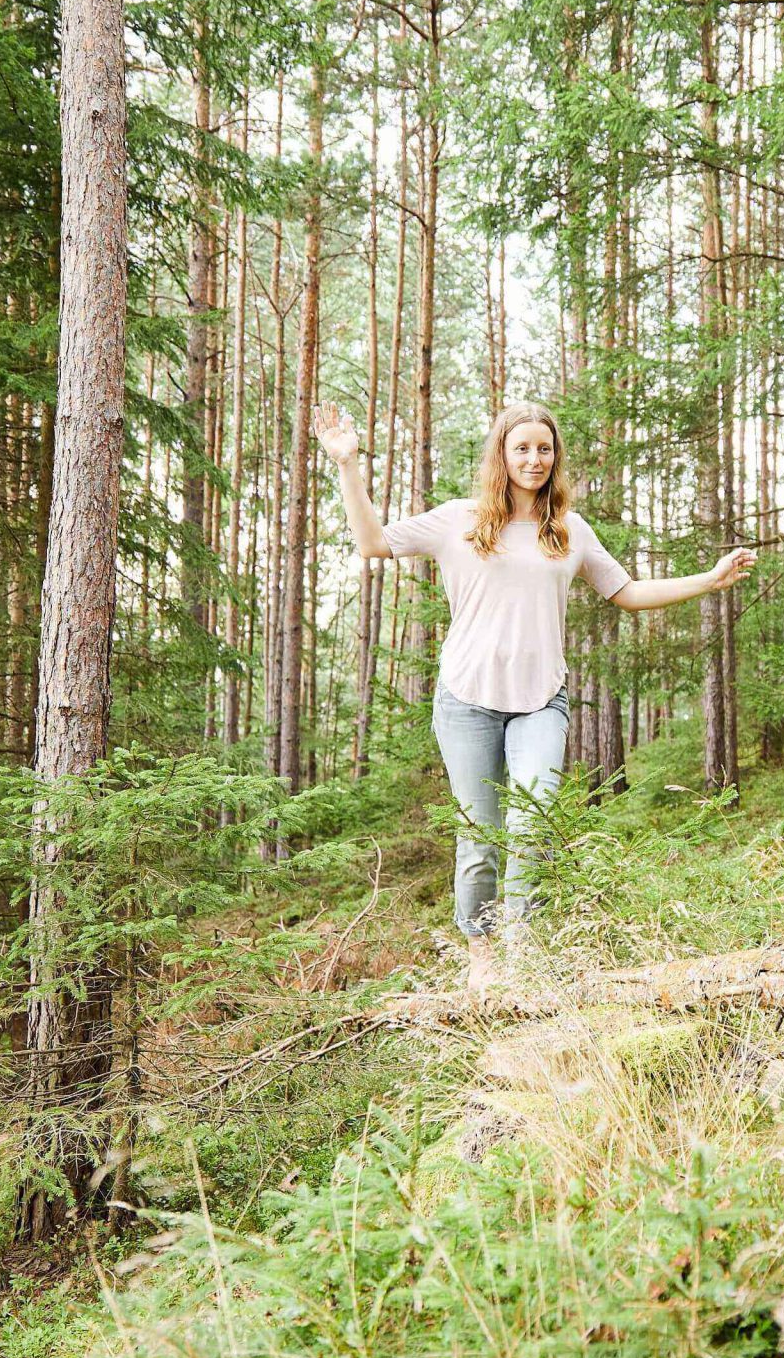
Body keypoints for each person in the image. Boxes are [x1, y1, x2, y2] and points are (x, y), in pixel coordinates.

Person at [316, 399, 756, 985]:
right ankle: (482, 956)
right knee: (480, 838)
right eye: (521, 447)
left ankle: (523, 948)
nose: (534, 458)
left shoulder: (569, 531)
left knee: (531, 823)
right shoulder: (459, 521)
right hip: (466, 700)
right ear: (502, 454)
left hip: (541, 700)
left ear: (556, 457)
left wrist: (710, 579)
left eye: (544, 448)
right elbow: (372, 544)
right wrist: (348, 465)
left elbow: (626, 591)